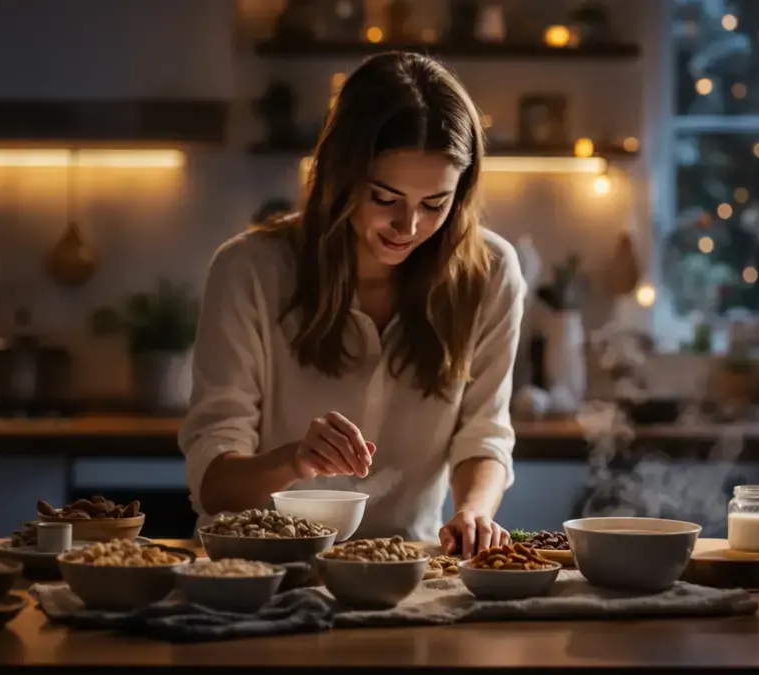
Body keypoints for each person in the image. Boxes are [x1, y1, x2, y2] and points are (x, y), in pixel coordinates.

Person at [179, 52, 526, 558]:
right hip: (262, 570)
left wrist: (473, 512)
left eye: (435, 204)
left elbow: (484, 436)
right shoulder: (248, 270)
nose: (408, 227)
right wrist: (295, 461)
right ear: (341, 175)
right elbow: (214, 484)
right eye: (385, 198)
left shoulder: (490, 273)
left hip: (408, 568)